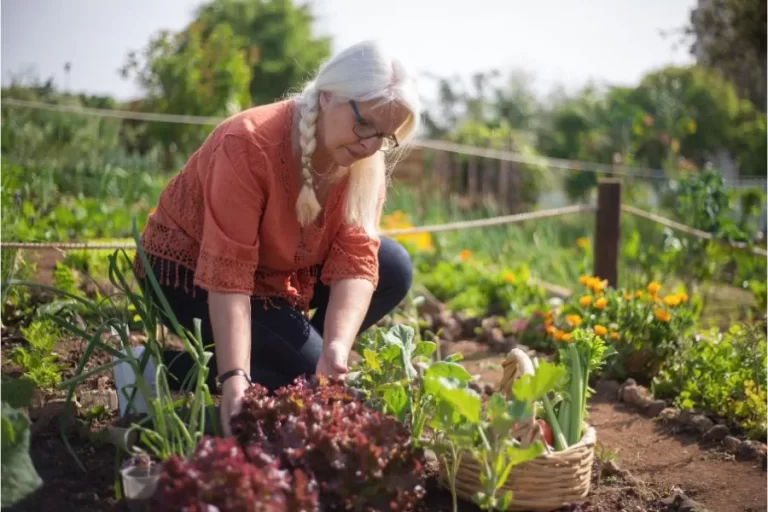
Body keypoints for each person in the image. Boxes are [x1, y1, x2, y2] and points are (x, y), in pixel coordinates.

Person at [134, 40, 421, 436]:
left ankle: (290, 358)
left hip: (273, 272)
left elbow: (356, 256)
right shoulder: (248, 142)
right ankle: (149, 369)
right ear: (326, 97)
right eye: (365, 124)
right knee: (301, 374)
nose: (371, 145)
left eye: (385, 136)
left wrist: (335, 348)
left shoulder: (362, 161)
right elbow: (228, 273)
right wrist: (235, 376)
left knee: (393, 267)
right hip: (188, 272)